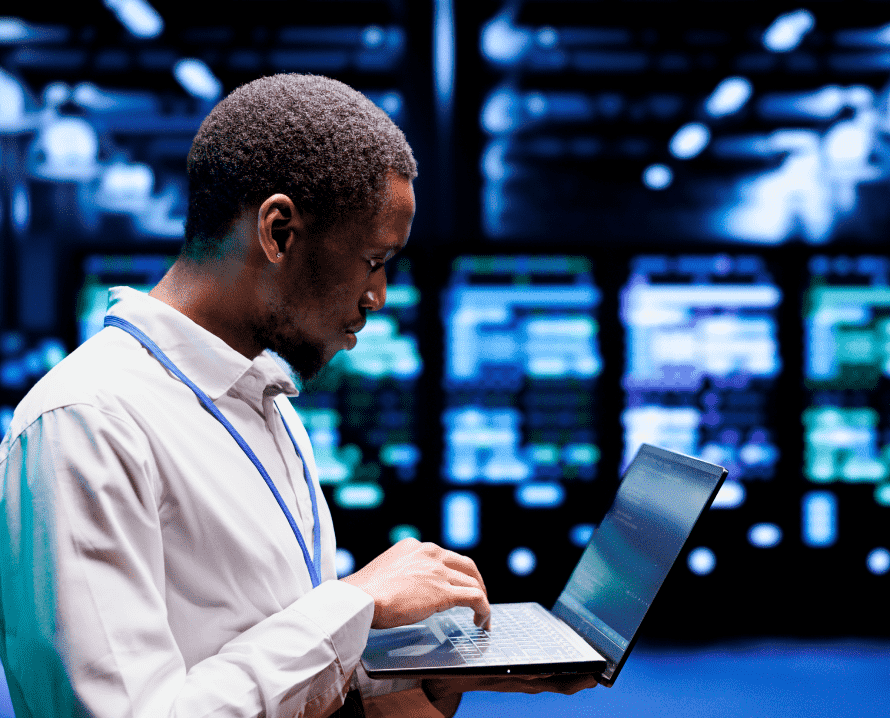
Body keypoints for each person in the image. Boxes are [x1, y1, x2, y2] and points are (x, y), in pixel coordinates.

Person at [0, 74, 594, 718]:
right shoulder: (87, 422)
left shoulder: (269, 404)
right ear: (279, 232)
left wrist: (429, 670)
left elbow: (284, 669)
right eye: (374, 260)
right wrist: (356, 604)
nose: (379, 297)